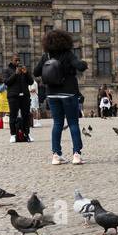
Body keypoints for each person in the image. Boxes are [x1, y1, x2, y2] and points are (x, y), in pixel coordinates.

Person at [34, 28, 88, 165]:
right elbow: (80, 66)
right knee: (73, 123)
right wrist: (84, 63)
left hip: (52, 94)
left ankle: (56, 155)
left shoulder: (46, 56)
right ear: (65, 41)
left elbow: (35, 72)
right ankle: (76, 155)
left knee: (57, 124)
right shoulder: (68, 54)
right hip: (68, 93)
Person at [3, 57, 33, 142]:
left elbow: (31, 82)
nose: (18, 62)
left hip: (25, 96)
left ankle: (27, 134)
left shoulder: (24, 70)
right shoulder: (7, 70)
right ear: (12, 61)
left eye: (19, 60)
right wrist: (15, 74)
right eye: (16, 60)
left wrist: (26, 73)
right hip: (13, 96)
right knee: (13, 115)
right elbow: (7, 82)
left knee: (26, 115)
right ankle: (13, 134)